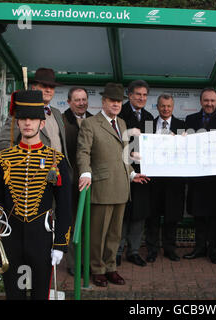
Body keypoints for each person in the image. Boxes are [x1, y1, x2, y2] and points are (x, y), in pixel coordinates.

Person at [0, 90, 72, 300]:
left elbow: (64, 205)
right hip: (10, 236)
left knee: (40, 295)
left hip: (41, 237)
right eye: (23, 118)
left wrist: (60, 243)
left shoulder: (56, 160)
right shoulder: (4, 158)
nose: (27, 123)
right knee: (14, 295)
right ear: (17, 123)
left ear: (41, 124)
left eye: (33, 119)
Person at [77, 82, 149, 287]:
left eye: (119, 101)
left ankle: (110, 267)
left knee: (115, 234)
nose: (116, 104)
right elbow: (83, 152)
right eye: (112, 100)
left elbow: (124, 155)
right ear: (104, 101)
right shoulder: (90, 124)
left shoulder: (123, 124)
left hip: (121, 188)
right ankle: (97, 268)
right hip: (101, 187)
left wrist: (133, 174)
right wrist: (85, 173)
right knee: (98, 234)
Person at [183, 87, 216, 264]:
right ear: (200, 101)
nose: (209, 104)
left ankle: (214, 250)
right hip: (197, 179)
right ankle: (199, 248)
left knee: (214, 218)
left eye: (212, 100)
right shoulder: (190, 120)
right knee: (198, 216)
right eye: (206, 100)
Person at [0, 68, 70, 171]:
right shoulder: (21, 111)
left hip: (58, 172)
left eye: (52, 87)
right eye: (44, 86)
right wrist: (16, 167)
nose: (48, 90)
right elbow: (4, 142)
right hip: (33, 174)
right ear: (34, 87)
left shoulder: (57, 113)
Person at [116, 80, 154, 267]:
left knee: (139, 214)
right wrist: (128, 154)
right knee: (121, 214)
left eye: (145, 95)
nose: (141, 98)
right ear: (129, 95)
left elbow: (154, 145)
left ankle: (133, 251)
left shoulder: (149, 117)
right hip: (122, 172)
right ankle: (116, 251)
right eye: (138, 94)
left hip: (144, 174)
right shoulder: (119, 114)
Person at [144, 94, 186, 262]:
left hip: (174, 181)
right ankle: (152, 250)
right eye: (162, 106)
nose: (166, 109)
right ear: (158, 106)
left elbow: (186, 152)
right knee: (152, 218)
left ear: (173, 107)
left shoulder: (182, 126)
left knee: (172, 217)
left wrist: (178, 142)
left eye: (169, 106)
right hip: (153, 181)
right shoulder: (148, 124)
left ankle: (170, 249)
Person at [62, 87, 93, 276]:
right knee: (72, 222)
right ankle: (73, 264)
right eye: (77, 100)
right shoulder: (62, 121)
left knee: (88, 223)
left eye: (84, 99)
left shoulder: (94, 120)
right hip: (69, 181)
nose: (81, 103)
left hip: (89, 181)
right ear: (68, 102)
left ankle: (87, 261)